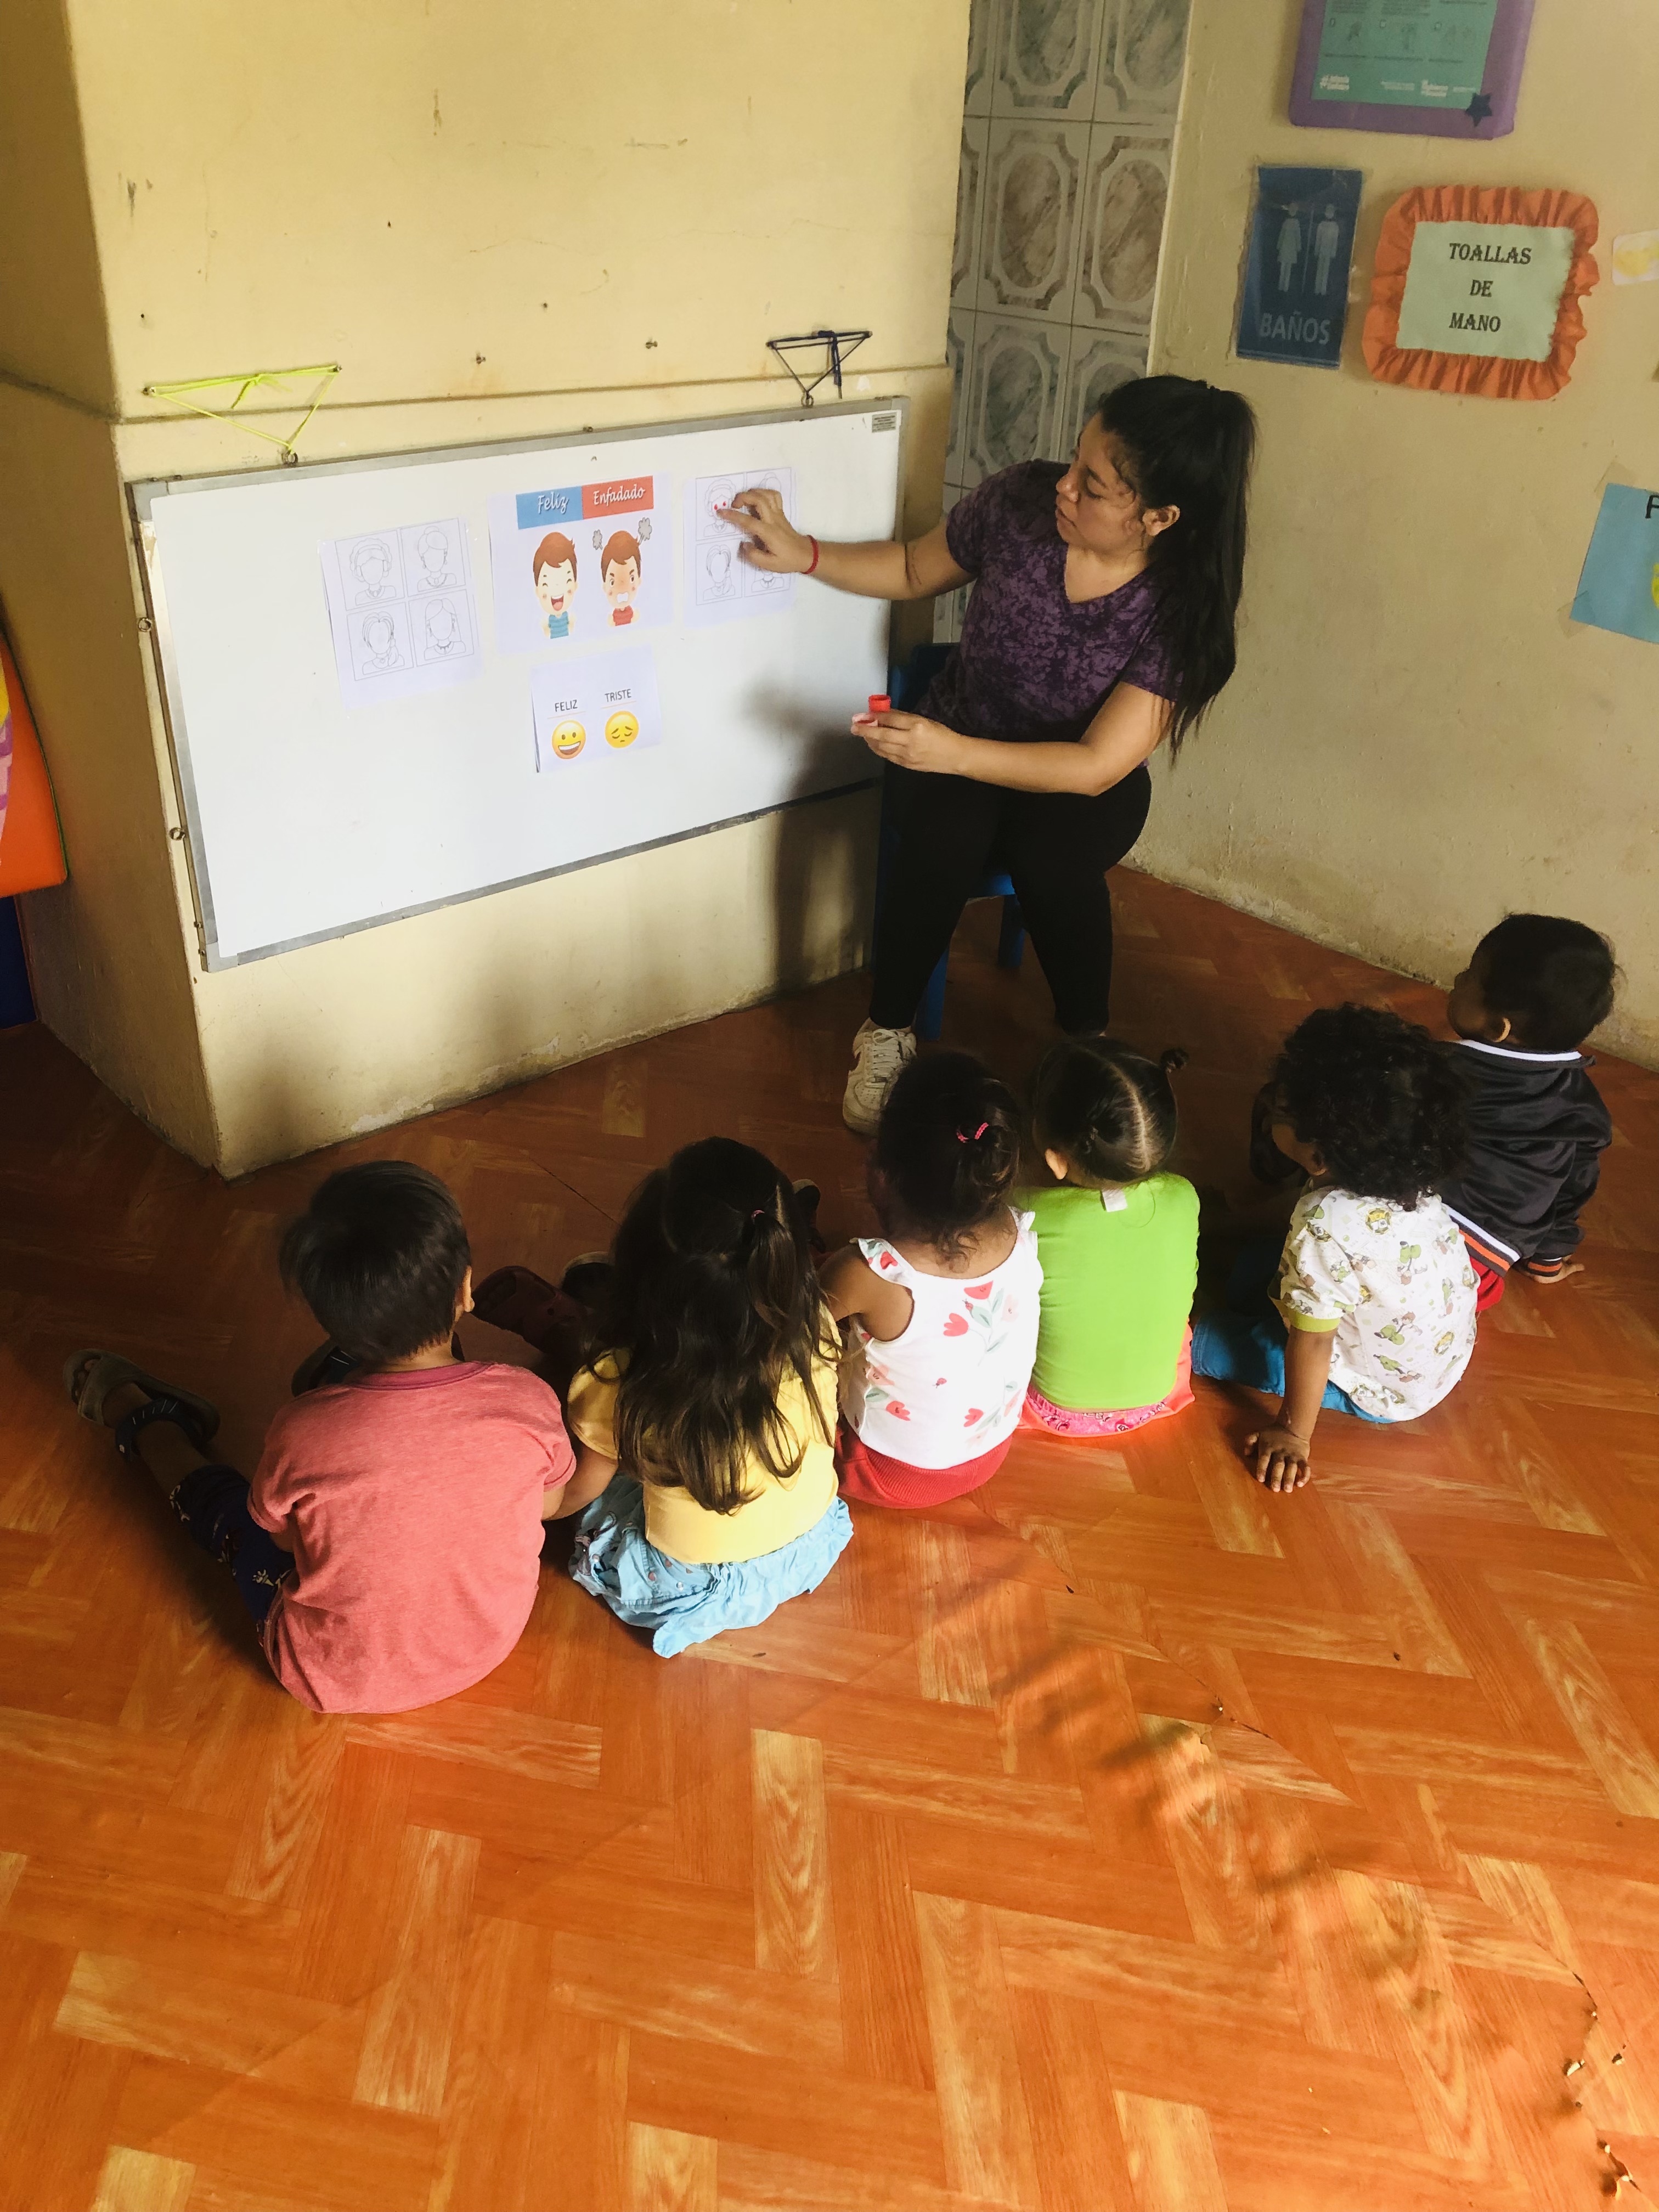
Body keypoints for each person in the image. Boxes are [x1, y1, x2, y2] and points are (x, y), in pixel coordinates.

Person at [720, 376, 1258, 1135]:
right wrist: (803, 552)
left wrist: (956, 753)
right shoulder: (1020, 504)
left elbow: (1097, 765)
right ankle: (887, 1029)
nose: (1064, 486)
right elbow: (913, 569)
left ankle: (1088, 1051)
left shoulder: (1181, 608)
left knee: (1053, 855)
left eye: (1093, 485)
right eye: (1075, 461)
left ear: (1159, 517)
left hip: (1075, 780)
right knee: (948, 832)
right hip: (961, 732)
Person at [63, 1162, 582, 1713]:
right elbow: (548, 1505)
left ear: (332, 1320)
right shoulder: (527, 1399)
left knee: (232, 1514)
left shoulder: (301, 1431)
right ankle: (379, 1374)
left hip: (330, 1677)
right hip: (486, 1646)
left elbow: (285, 1541)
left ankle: (148, 1422)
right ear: (466, 1289)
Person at [561, 1139, 852, 1656]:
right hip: (809, 1546)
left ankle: (565, 1328)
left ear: (641, 1271)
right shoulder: (817, 1323)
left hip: (689, 1585)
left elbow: (581, 1489)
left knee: (602, 1500)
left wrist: (536, 1509)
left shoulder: (619, 1379)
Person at [1192, 1006, 1477, 1493]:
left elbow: (1315, 1343)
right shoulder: (1406, 1175)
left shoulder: (1324, 1223)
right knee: (1251, 1271)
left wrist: (1293, 1433)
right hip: (1429, 1359)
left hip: (1376, 1388)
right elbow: (1298, 1216)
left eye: (1282, 1111)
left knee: (1196, 1337)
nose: (1272, 1108)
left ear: (1318, 1156)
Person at [821, 1052, 1041, 1508]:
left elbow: (793, 1320)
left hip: (884, 1473)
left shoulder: (870, 1272)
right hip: (988, 1454)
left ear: (881, 1168)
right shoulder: (1018, 1232)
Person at [1021, 1037, 1198, 1436]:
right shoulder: (1184, 1196)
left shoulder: (1025, 1212)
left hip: (1053, 1408)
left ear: (1056, 1160)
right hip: (1154, 1400)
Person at [1441, 914, 1616, 1305]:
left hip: (1400, 1232)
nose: (1458, 979)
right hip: (1477, 1276)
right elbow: (1572, 1188)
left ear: (1498, 1029)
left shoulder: (1438, 1069)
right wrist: (1548, 1259)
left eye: (1470, 976)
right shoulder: (1583, 1108)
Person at [533, 531, 578, 639]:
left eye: (567, 581)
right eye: (546, 584)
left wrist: (572, 625)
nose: (557, 587)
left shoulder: (566, 616)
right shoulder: (551, 620)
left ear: (575, 585)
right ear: (538, 591)